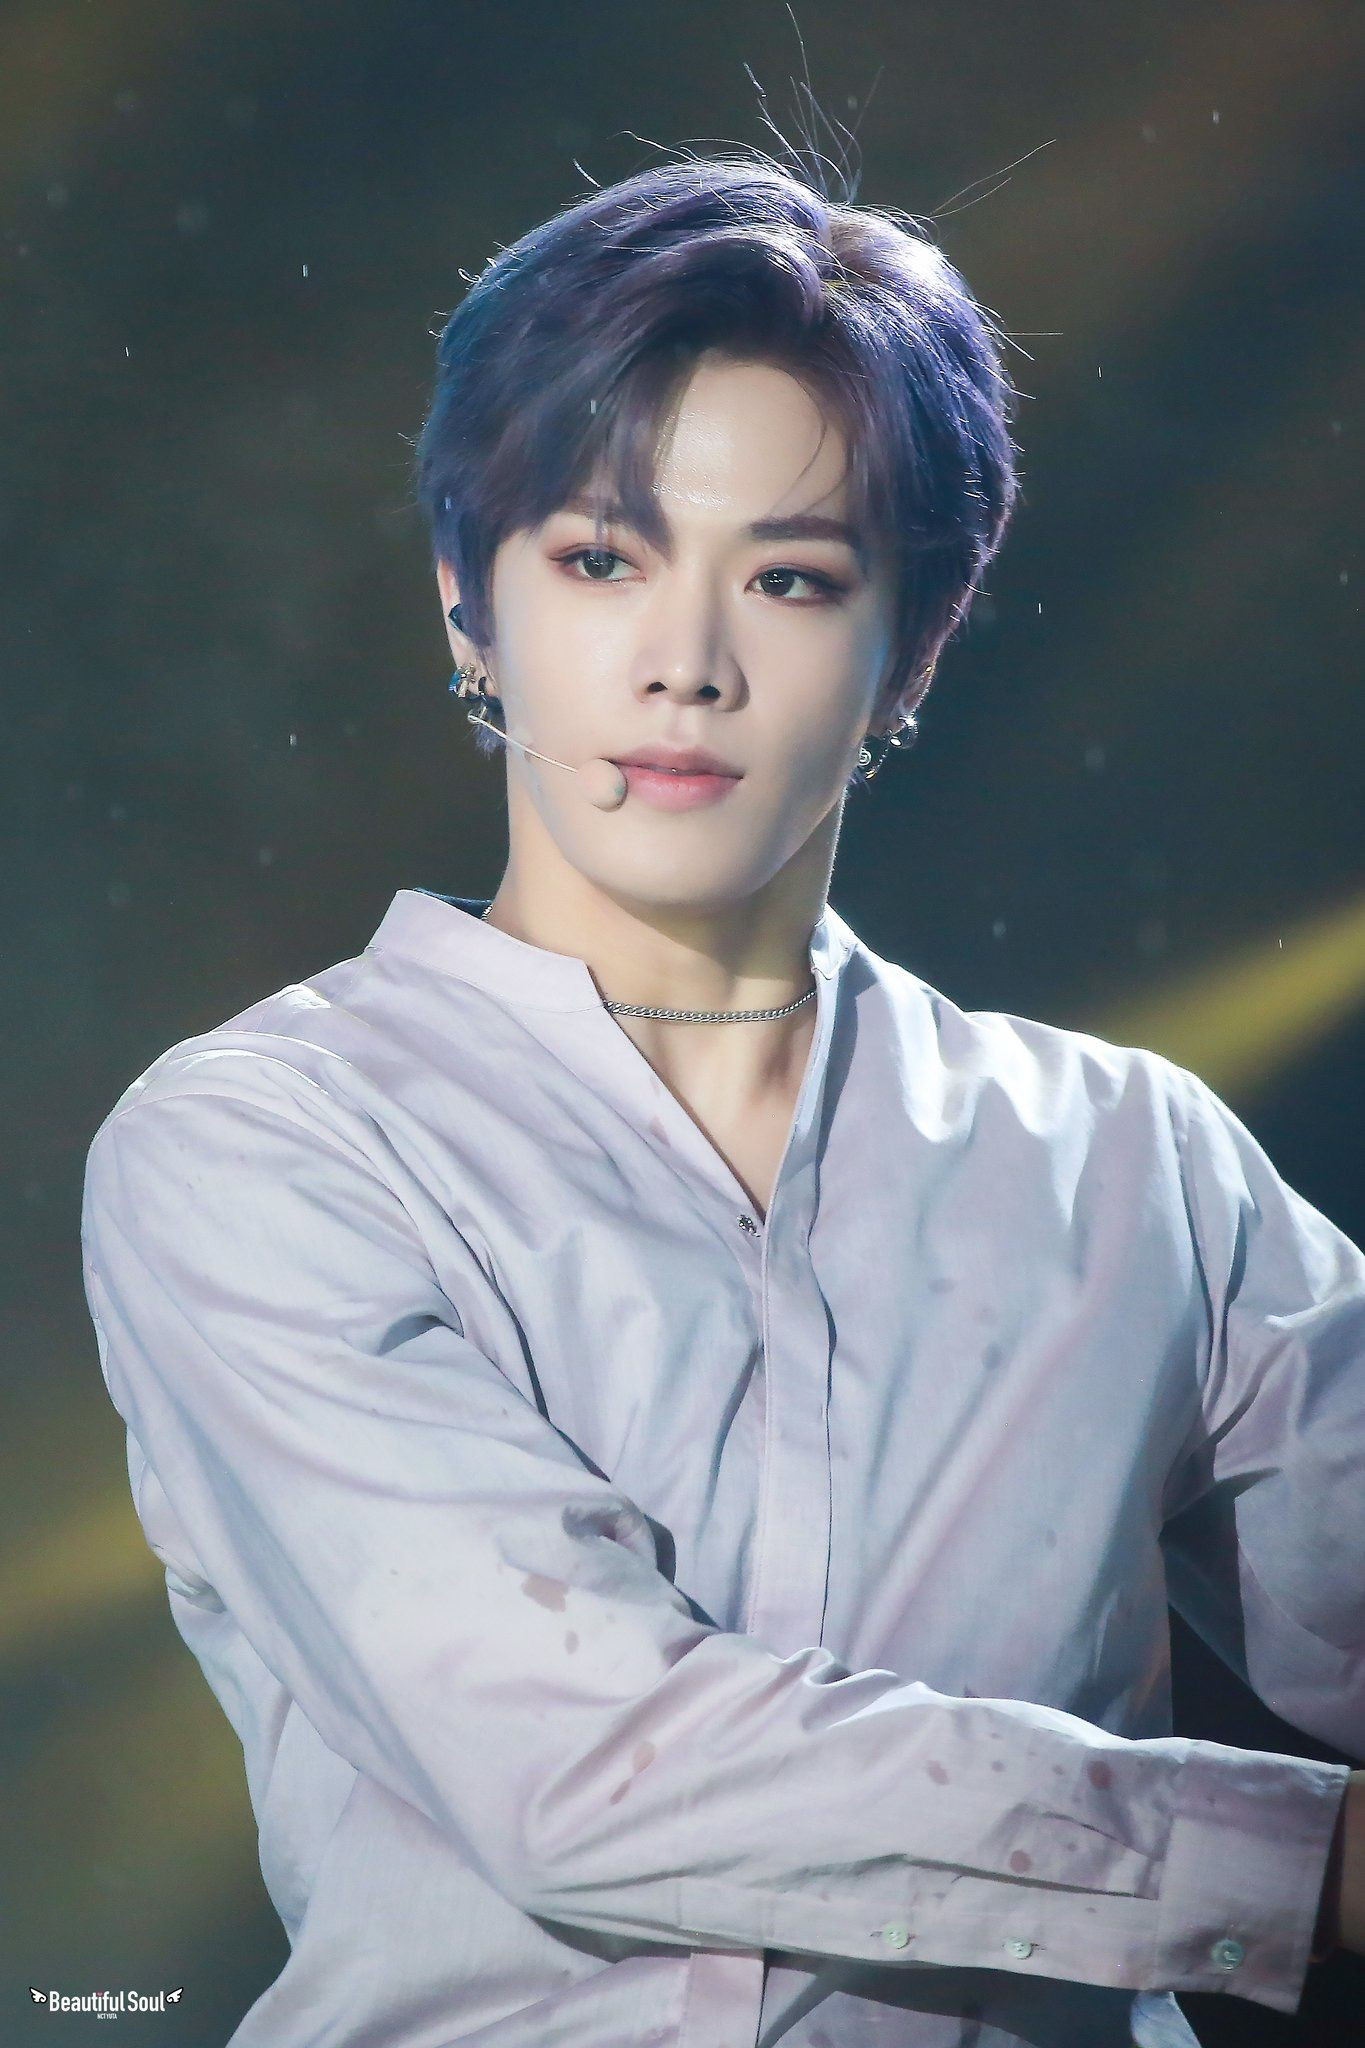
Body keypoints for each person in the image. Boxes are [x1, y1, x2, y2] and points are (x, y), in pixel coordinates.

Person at [79, 150, 1363, 2048]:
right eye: (600, 560)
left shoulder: (1130, 1160)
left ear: (911, 649)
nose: (684, 665)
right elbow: (586, 1768)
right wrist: (1305, 1863)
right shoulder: (266, 1142)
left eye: (789, 578)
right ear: (467, 604)